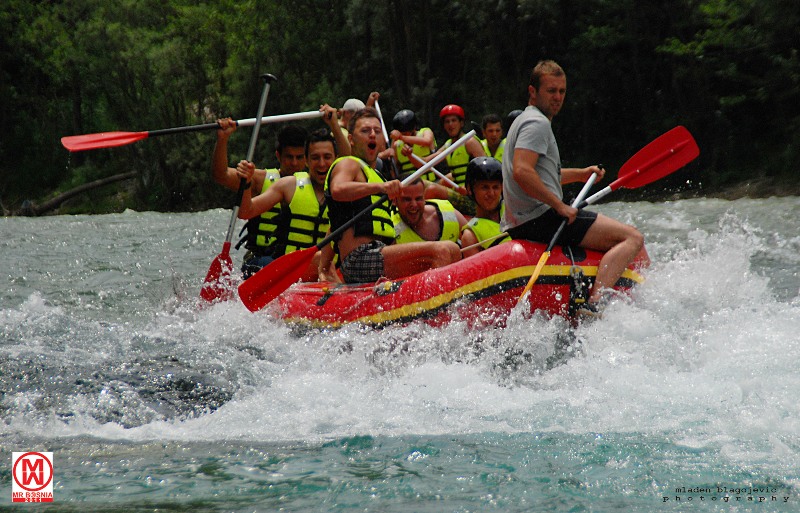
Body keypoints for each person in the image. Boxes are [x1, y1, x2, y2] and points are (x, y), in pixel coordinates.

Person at [501, 60, 649, 312]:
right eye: (551, 91)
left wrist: (581, 175)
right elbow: (522, 171)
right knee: (632, 237)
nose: (557, 97)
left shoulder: (524, 120)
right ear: (533, 92)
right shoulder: (537, 123)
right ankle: (595, 304)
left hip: (526, 220)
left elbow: (540, 176)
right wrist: (560, 206)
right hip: (542, 219)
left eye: (561, 91)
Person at [322, 107, 461, 284]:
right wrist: (381, 187)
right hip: (360, 258)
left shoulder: (375, 174)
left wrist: (325, 266)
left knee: (453, 250)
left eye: (377, 131)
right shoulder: (349, 164)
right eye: (365, 131)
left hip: (379, 254)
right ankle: (441, 309)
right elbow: (338, 190)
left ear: (382, 140)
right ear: (351, 139)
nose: (372, 135)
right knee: (442, 251)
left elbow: (336, 225)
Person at [460, 157, 511, 258]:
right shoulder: (470, 236)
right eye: (484, 187)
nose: (491, 193)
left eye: (495, 187)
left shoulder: (514, 210)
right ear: (470, 189)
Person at [392, 177, 467, 245]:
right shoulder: (390, 228)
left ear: (424, 199)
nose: (414, 204)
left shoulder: (448, 212)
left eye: (418, 199)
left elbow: (474, 241)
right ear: (394, 201)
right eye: (407, 199)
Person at [426, 104, 486, 187]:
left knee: (432, 189)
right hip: (458, 191)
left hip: (472, 193)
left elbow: (486, 170)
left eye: (454, 120)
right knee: (426, 185)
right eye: (447, 121)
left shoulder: (470, 142)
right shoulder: (448, 144)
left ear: (461, 123)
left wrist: (472, 188)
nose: (450, 124)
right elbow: (426, 162)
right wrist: (409, 154)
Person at [387, 109, 437, 181]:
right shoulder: (396, 145)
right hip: (409, 186)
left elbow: (427, 141)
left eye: (405, 132)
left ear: (413, 129)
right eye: (401, 132)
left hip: (429, 182)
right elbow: (393, 164)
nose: (402, 134)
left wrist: (402, 137)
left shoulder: (425, 131)